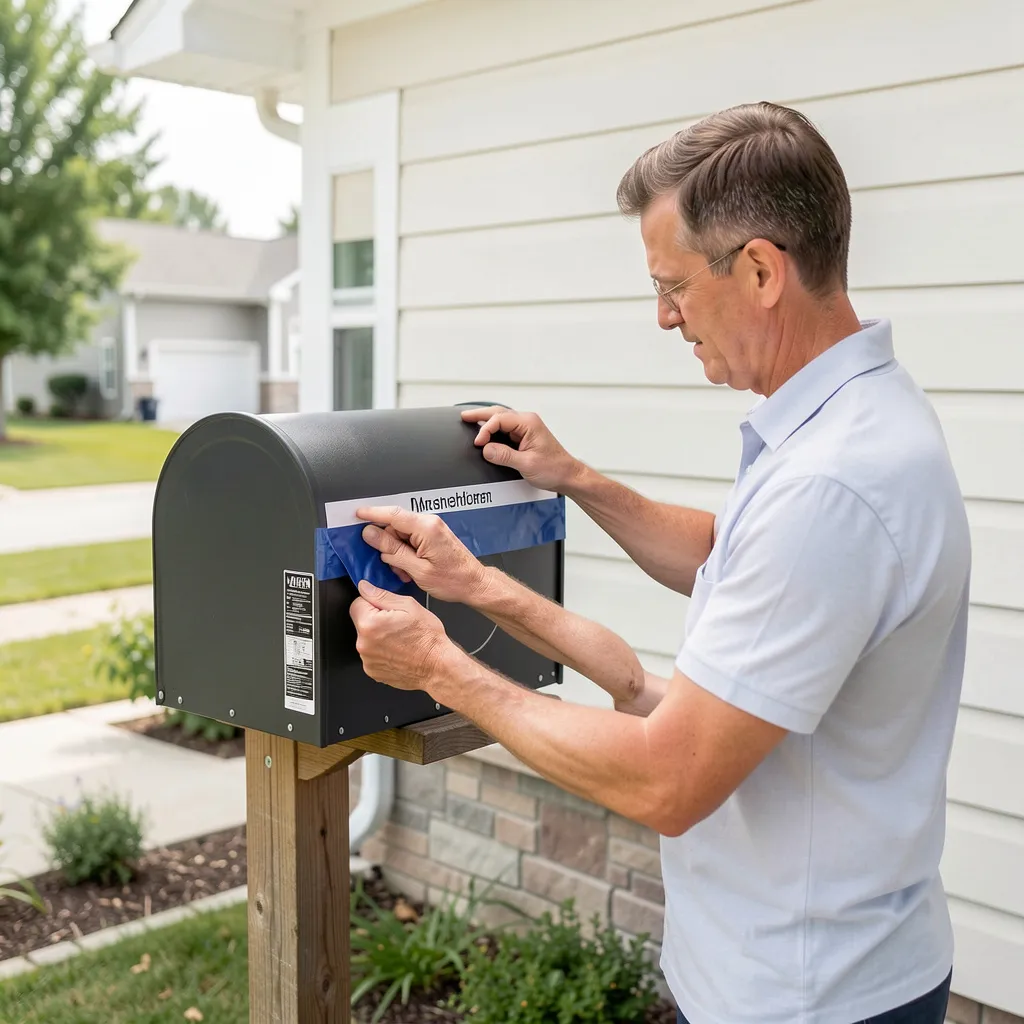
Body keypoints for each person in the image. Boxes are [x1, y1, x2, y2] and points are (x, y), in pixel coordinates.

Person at [348, 102, 971, 1024]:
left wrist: (439, 665)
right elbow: (736, 561)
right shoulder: (851, 423)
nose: (664, 317)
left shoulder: (833, 486)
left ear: (760, 269)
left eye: (673, 284)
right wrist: (556, 498)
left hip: (805, 996)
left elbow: (665, 780)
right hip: (822, 966)